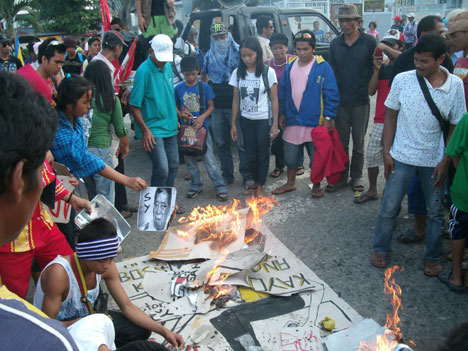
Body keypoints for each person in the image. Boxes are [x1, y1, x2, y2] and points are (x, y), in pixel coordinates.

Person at [371, 34, 467, 275]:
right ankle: (380, 249)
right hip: (401, 157)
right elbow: (390, 115)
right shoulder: (403, 80)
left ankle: (433, 256)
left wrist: (445, 160)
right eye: (416, 60)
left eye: (424, 61)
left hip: (433, 160)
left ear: (440, 59)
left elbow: (455, 125)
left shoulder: (454, 85)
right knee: (389, 206)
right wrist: (387, 152)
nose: (418, 65)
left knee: (435, 212)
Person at [0, 70, 80, 350]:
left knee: (72, 265)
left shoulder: (18, 147)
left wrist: (72, 199)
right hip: (15, 244)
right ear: (19, 180)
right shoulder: (24, 148)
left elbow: (48, 178)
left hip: (43, 228)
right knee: (14, 298)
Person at [34, 218, 185, 349]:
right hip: (63, 330)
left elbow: (126, 306)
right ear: (84, 257)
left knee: (140, 331)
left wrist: (165, 332)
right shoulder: (59, 274)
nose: (106, 265)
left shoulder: (107, 267)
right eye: (100, 261)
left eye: (111, 259)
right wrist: (84, 322)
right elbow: (48, 325)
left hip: (90, 319)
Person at [389, 15, 455, 243]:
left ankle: (438, 241)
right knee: (406, 194)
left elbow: (454, 117)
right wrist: (388, 148)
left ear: (439, 59)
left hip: (437, 149)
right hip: (406, 149)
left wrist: (447, 155)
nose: (444, 36)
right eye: (439, 32)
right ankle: (419, 227)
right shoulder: (404, 67)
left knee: (437, 200)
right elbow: (392, 110)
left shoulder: (449, 72)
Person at [51, 75, 147, 202]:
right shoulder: (61, 134)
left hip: (70, 187)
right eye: (84, 102)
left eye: (90, 101)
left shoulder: (76, 120)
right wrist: (126, 180)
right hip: (59, 193)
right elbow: (86, 160)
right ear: (69, 105)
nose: (89, 106)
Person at [271, 30, 339, 198]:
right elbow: (283, 91)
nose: (301, 53)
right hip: (293, 120)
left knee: (316, 156)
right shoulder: (290, 65)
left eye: (305, 49)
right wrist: (282, 114)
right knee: (291, 155)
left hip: (315, 121)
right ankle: (290, 182)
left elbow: (332, 94)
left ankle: (316, 185)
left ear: (314, 48)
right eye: (298, 49)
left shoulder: (323, 67)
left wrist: (329, 117)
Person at [328, 4, 376, 192]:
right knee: (340, 143)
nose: (345, 24)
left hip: (361, 101)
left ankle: (356, 177)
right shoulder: (335, 44)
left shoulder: (368, 42)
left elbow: (375, 69)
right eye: (342, 20)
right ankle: (341, 177)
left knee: (358, 143)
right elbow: (332, 72)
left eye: (349, 20)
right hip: (340, 101)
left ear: (357, 21)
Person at [354, 30, 404, 204]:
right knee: (372, 156)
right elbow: (371, 90)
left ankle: (389, 193)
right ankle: (373, 189)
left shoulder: (405, 66)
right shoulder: (384, 67)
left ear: (401, 47)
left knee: (393, 160)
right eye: (386, 44)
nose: (387, 49)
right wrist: (377, 70)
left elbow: (401, 57)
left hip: (399, 121)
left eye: (392, 45)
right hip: (380, 119)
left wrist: (382, 46)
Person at [202, 22, 254, 190]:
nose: (220, 40)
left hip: (238, 105)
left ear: (229, 34)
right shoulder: (208, 56)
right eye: (216, 37)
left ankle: (247, 175)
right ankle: (227, 175)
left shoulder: (240, 52)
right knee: (221, 143)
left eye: (222, 36)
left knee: (241, 143)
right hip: (217, 107)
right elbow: (204, 77)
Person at [230, 37, 279, 197]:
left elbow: (275, 100)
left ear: (258, 54)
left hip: (263, 120)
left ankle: (260, 185)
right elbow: (236, 100)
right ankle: (253, 180)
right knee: (249, 155)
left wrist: (275, 125)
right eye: (243, 55)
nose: (246, 59)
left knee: (262, 154)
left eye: (249, 55)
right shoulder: (237, 73)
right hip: (246, 120)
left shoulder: (268, 72)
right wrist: (233, 124)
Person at [175, 56, 228, 201]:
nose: (190, 77)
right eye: (187, 74)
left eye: (193, 73)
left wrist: (202, 118)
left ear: (198, 71)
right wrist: (180, 114)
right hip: (186, 130)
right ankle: (195, 185)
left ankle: (220, 186)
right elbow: (175, 106)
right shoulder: (178, 88)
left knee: (209, 159)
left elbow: (211, 106)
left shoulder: (204, 87)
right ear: (183, 73)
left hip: (202, 130)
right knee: (189, 160)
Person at [130, 34, 179, 190]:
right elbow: (134, 105)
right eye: (160, 57)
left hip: (170, 124)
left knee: (173, 165)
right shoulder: (143, 71)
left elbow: (168, 95)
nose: (163, 61)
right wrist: (145, 131)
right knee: (162, 168)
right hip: (152, 127)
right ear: (150, 51)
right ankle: (155, 204)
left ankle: (167, 201)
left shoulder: (168, 67)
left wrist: (177, 113)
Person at [84, 60, 129, 204]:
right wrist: (125, 145)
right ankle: (108, 225)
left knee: (92, 197)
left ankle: (95, 224)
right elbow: (120, 128)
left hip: (83, 151)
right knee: (106, 199)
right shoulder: (111, 98)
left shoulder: (82, 98)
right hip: (101, 151)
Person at [438, 113, 468, 292]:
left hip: (464, 194)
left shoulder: (466, 120)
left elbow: (454, 153)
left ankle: (456, 276)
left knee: (457, 232)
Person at [265, 33, 296, 178]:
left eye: (281, 48)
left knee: (294, 136)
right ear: (270, 48)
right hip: (275, 105)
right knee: (277, 136)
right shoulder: (267, 64)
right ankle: (279, 165)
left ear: (286, 48)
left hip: (292, 104)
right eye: (275, 48)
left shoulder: (294, 61)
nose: (278, 51)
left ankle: (297, 164)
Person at [16, 38, 66, 104]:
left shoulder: (54, 80)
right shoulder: (28, 81)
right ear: (44, 59)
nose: (59, 66)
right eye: (57, 62)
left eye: (61, 63)